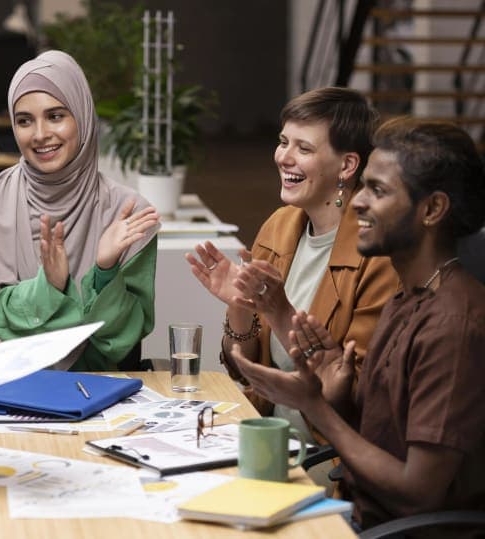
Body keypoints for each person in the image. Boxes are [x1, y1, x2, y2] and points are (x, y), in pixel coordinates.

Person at [230, 118, 485, 531]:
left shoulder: (453, 326)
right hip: (350, 513)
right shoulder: (407, 298)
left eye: (378, 190)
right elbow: (382, 439)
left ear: (433, 209)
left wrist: (313, 407)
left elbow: (418, 491)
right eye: (363, 185)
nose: (358, 202)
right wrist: (336, 394)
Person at [186, 87, 399, 440]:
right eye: (283, 142)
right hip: (264, 436)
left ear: (346, 165)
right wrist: (240, 307)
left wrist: (278, 310)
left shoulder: (377, 257)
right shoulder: (279, 226)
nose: (284, 157)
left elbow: (355, 399)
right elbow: (244, 371)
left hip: (325, 456)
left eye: (304, 148)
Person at [0, 50, 160, 370]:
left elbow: (120, 343)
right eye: (24, 121)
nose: (40, 134)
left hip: (93, 401)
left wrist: (105, 271)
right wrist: (46, 291)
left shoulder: (126, 214)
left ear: (83, 117)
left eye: (56, 116)